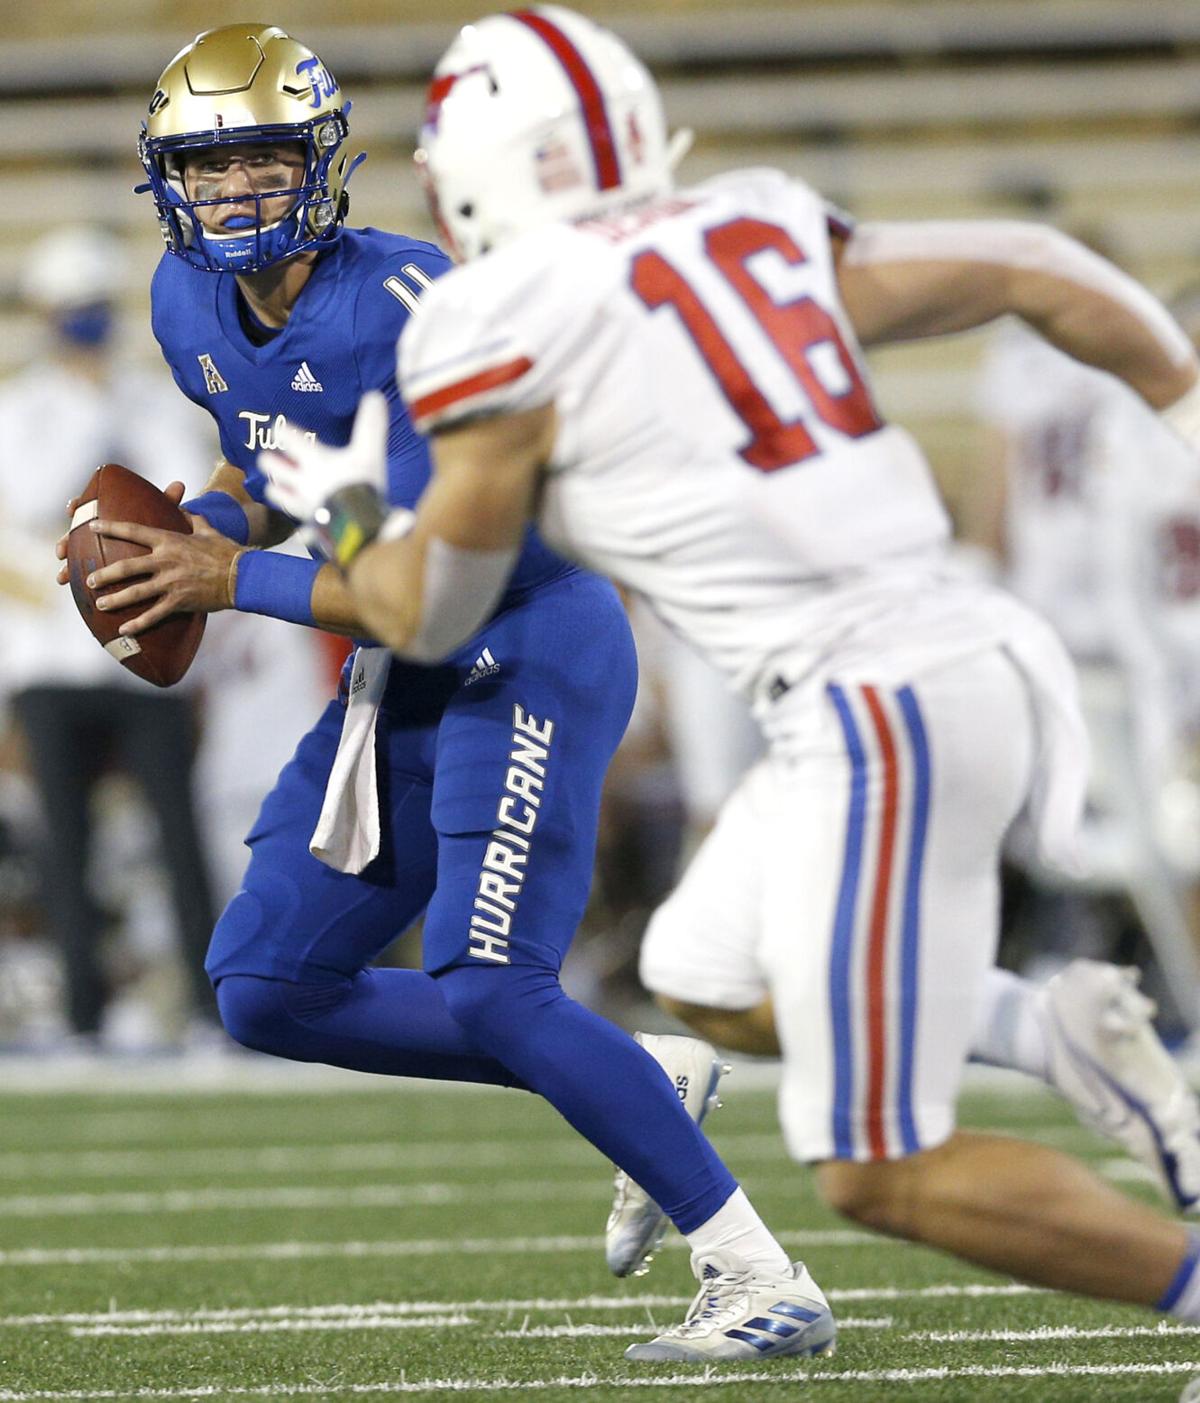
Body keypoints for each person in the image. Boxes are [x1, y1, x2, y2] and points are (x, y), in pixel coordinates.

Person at [261, 4, 1200, 1351]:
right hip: (917, 667)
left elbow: (423, 611)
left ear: (474, 172)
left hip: (881, 702)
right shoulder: (750, 220)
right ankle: (1054, 1023)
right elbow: (1040, 263)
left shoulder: (501, 315)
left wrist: (349, 518)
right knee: (697, 971)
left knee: (879, 1170)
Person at [65, 23, 833, 1365]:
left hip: (519, 641)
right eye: (207, 164)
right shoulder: (184, 305)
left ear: (320, 163)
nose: (236, 192)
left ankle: (760, 1274)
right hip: (400, 656)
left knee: (491, 983)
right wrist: (207, 520)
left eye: (259, 160)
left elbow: (429, 585)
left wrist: (228, 572)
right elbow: (286, 463)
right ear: (164, 179)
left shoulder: (418, 309)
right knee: (266, 983)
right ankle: (635, 1074)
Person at [0, 224, 221, 1043]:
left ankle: (206, 1007)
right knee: (65, 839)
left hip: (145, 652)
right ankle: (82, 1011)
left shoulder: (155, 402)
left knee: (179, 829)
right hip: (50, 657)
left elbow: (183, 508)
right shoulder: (17, 410)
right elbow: (20, 525)